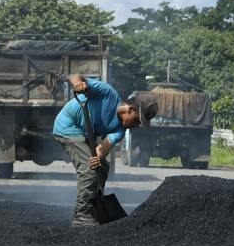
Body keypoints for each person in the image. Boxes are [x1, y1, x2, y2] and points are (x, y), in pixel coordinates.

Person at [53, 74, 158, 226]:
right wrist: (77, 84)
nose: (136, 126)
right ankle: (82, 214)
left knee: (101, 166)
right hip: (68, 126)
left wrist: (97, 158)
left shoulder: (120, 130)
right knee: (89, 169)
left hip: (84, 134)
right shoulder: (107, 93)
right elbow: (77, 76)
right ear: (130, 109)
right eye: (137, 121)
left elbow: (104, 147)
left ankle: (94, 205)